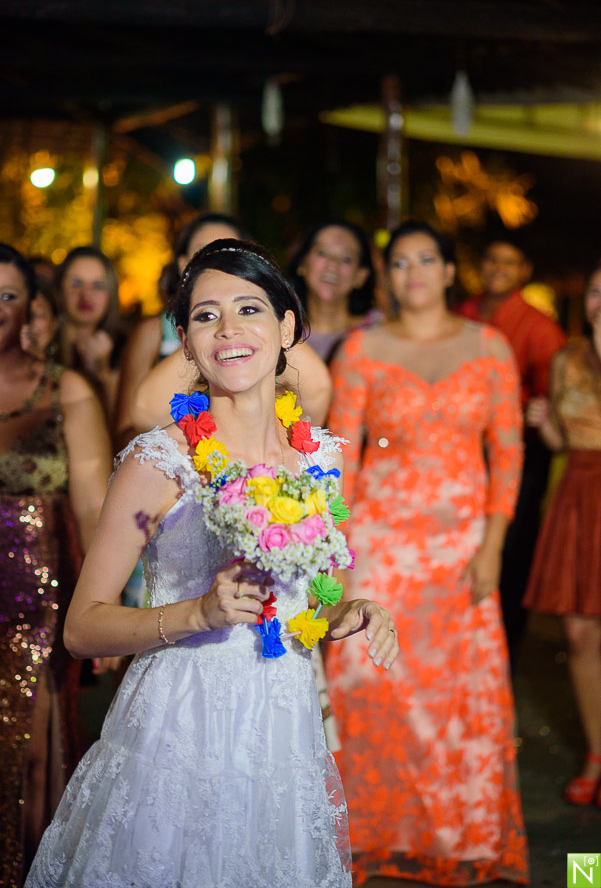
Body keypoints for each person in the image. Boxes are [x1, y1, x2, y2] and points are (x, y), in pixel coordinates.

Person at [26, 238, 398, 888]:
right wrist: (197, 611)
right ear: (185, 339)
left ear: (287, 328)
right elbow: (82, 628)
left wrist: (343, 611)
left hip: (282, 724)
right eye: (205, 315)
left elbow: (301, 600)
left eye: (249, 309)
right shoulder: (159, 460)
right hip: (177, 730)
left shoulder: (318, 457)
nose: (227, 329)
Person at [325, 221, 529, 885]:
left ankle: (456, 836)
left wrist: (494, 545)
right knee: (371, 685)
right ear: (387, 276)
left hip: (461, 550)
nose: (413, 272)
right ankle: (367, 831)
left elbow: (508, 451)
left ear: (448, 271)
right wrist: (338, 556)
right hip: (379, 550)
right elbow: (339, 461)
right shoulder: (360, 348)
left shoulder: (489, 346)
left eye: (426, 260)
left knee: (455, 697)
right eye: (400, 263)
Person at [0, 244, 112, 887]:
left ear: (31, 309)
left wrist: (106, 610)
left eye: (8, 295)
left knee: (32, 760)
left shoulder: (63, 389)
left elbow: (97, 514)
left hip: (36, 604)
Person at [457, 236, 566, 664]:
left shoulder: (539, 327)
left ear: (524, 271)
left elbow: (553, 399)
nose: (498, 268)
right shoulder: (462, 312)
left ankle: (506, 650)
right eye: (491, 259)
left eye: (509, 262)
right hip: (465, 448)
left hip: (518, 451)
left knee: (512, 548)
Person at [524, 265, 601, 806]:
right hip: (579, 493)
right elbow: (559, 439)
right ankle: (597, 753)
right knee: (578, 635)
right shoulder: (566, 357)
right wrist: (542, 422)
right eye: (597, 291)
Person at [114, 213, 244, 448]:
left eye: (228, 253)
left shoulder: (258, 333)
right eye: (204, 253)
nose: (217, 265)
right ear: (183, 264)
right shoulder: (153, 332)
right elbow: (125, 430)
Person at [290, 220, 378, 363]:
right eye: (322, 253)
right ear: (302, 263)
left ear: (361, 276)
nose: (332, 265)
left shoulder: (377, 330)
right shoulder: (281, 336)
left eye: (346, 259)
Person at [55, 246, 123, 419]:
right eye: (76, 283)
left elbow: (122, 426)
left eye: (98, 285)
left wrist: (103, 374)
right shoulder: (43, 343)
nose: (86, 293)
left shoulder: (126, 348)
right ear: (60, 289)